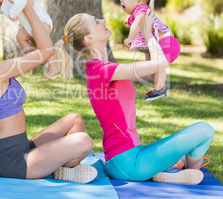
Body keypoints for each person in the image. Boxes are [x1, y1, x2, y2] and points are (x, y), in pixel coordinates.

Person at [57, 10, 214, 185]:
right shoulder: (102, 71)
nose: (102, 20)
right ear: (89, 39)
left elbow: (153, 72)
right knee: (205, 130)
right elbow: (160, 63)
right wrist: (148, 34)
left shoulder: (105, 69)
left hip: (128, 156)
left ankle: (174, 171)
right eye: (95, 22)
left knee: (194, 139)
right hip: (128, 163)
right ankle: (189, 171)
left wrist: (152, 37)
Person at [0, 0, 97, 183]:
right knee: (83, 141)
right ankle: (64, 167)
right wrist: (29, 9)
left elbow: (39, 51)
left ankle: (63, 168)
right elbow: (46, 51)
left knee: (75, 121)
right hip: (13, 163)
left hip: (24, 148)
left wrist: (22, 36)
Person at [121, 0, 180, 101]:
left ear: (138, 1)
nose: (121, 0)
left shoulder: (141, 10)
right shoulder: (139, 12)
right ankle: (158, 89)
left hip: (167, 43)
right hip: (161, 44)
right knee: (152, 66)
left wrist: (129, 38)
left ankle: (160, 90)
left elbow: (137, 24)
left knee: (157, 65)